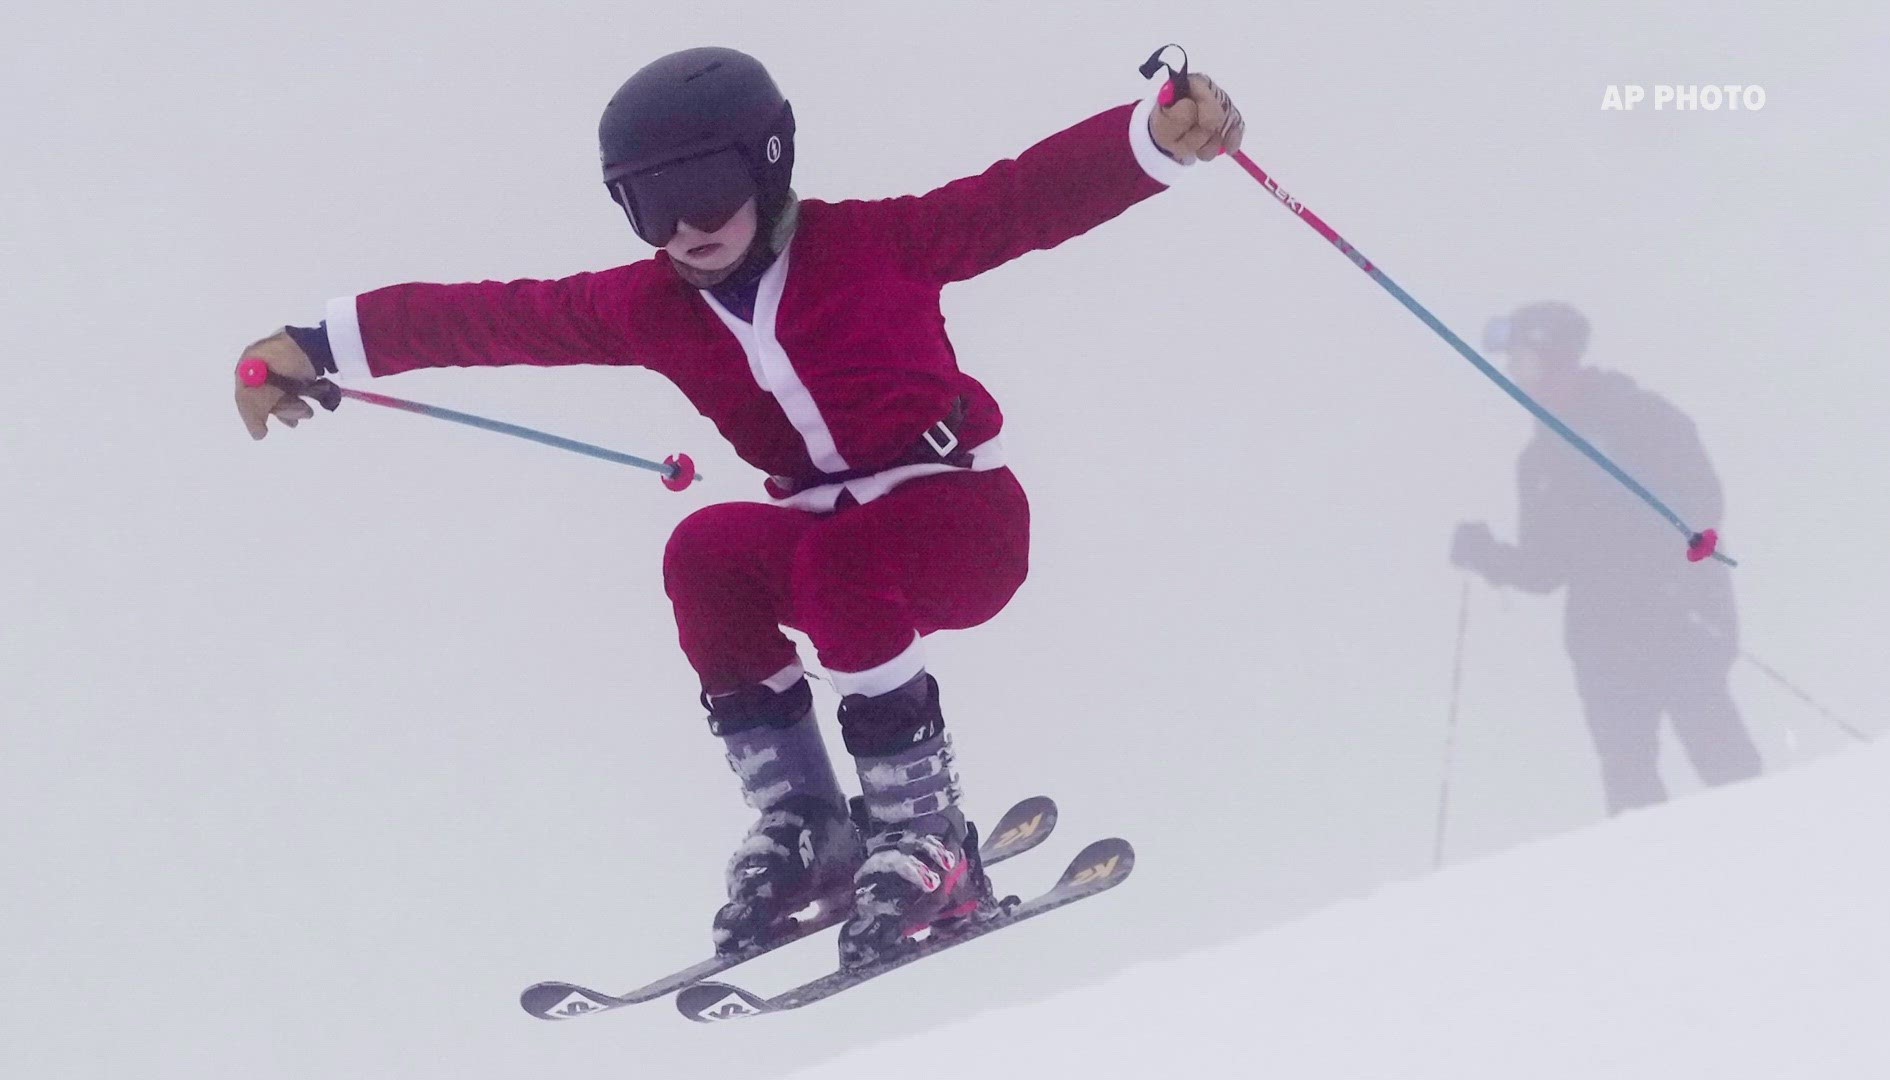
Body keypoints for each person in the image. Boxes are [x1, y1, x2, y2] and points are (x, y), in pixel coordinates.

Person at [233, 47, 1244, 966]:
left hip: (961, 518)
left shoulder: (875, 245)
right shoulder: (650, 306)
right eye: (645, 205)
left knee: (842, 561)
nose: (681, 228)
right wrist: (311, 345)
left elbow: (1022, 201)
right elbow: (495, 315)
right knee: (706, 550)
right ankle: (813, 824)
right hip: (827, 541)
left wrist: (1151, 138)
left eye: (705, 190)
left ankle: (931, 836)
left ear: (766, 163)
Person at [1451, 301, 1761, 815]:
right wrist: (1486, 555)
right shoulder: (1539, 462)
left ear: (1560, 357)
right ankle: (1650, 886)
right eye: (1514, 369)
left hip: (1678, 613)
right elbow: (1545, 570)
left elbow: (1703, 507)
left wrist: (1644, 551)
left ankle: (1772, 851)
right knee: (1628, 777)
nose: (1519, 381)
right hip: (1604, 638)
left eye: (1525, 364)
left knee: (1715, 744)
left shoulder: (1642, 417)